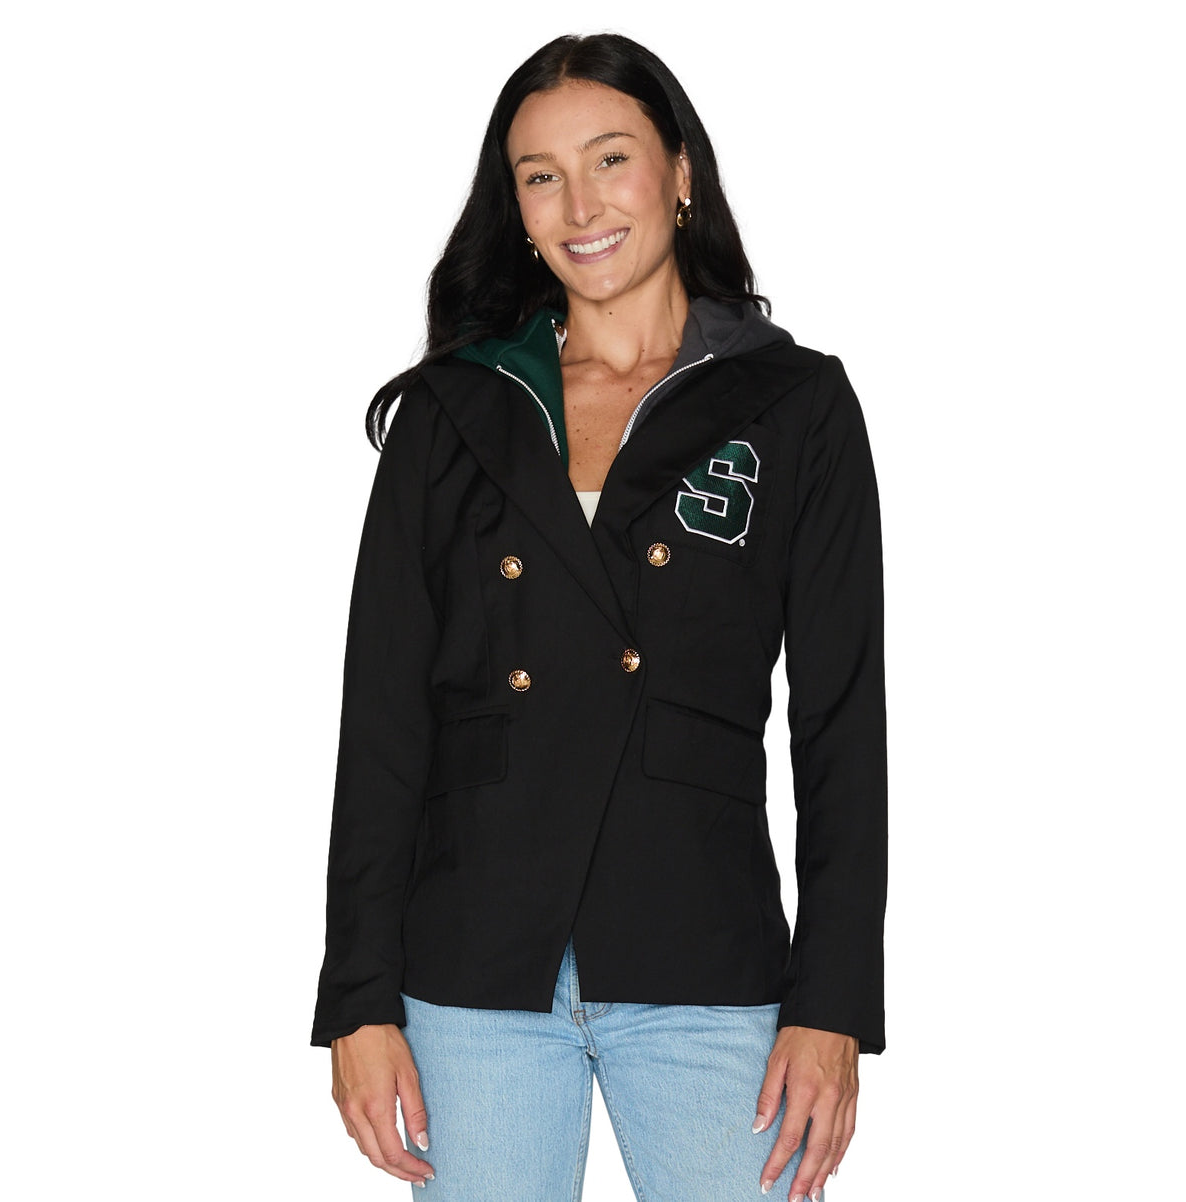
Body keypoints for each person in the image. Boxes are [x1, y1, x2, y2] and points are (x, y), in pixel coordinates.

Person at [311, 32, 887, 1202]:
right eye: (541, 175)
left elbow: (841, 724)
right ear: (516, 208)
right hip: (474, 967)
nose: (580, 205)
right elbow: (382, 720)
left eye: (611, 158)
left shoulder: (791, 402)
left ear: (680, 172)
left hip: (704, 947)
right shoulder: (458, 409)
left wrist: (831, 1003)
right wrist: (359, 999)